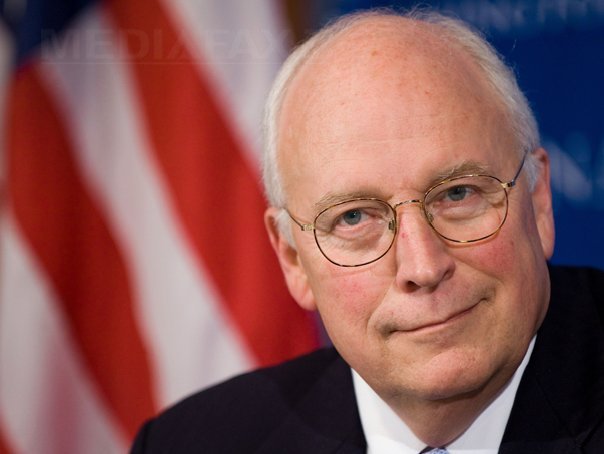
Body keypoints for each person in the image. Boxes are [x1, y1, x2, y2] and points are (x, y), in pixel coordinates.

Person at [131, 9, 604, 453]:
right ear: (292, 259)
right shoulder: (192, 442)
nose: (423, 267)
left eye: (458, 194)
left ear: (538, 202)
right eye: (354, 218)